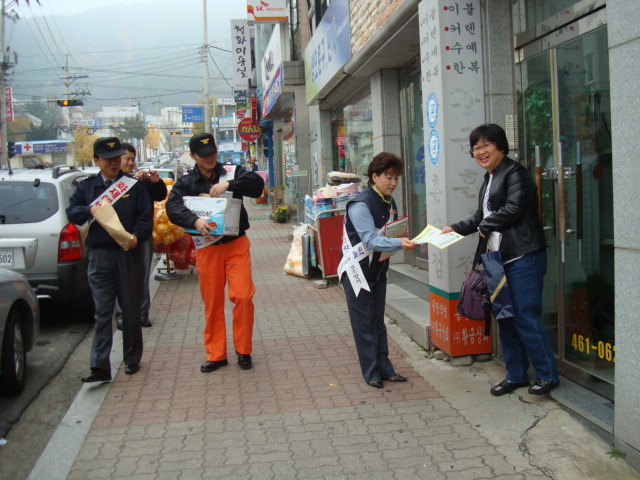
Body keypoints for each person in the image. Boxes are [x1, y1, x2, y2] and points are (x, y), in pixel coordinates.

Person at [441, 123, 559, 396]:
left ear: (501, 147)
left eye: (486, 145)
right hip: (497, 260)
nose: (480, 152)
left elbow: (514, 208)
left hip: (523, 256)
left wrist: (487, 223)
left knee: (526, 316)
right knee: (505, 317)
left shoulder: (516, 173)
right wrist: (455, 228)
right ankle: (516, 374)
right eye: (476, 148)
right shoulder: (490, 178)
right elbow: (480, 217)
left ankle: (547, 374)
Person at [166, 132, 264, 373]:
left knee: (243, 296)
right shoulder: (186, 182)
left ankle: (243, 350)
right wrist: (194, 220)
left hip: (236, 245)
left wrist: (229, 184)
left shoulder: (232, 172)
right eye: (203, 155)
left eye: (212, 153)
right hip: (207, 248)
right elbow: (172, 206)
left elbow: (257, 185)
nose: (209, 158)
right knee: (212, 303)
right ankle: (216, 354)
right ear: (193, 156)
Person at [67, 137, 153, 382]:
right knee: (102, 311)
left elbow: (146, 218)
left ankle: (132, 358)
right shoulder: (87, 188)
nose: (114, 163)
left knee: (131, 310)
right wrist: (89, 210)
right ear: (96, 160)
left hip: (128, 255)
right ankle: (99, 366)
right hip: (100, 256)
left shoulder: (134, 186)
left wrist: (137, 237)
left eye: (116, 158)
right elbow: (72, 213)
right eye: (108, 159)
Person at [339, 152, 418, 388]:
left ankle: (386, 368)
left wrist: (399, 238)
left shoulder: (388, 200)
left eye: (396, 178)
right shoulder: (361, 204)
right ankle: (371, 372)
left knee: (378, 322)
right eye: (388, 177)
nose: (393, 183)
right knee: (364, 323)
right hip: (358, 272)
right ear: (374, 176)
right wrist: (400, 242)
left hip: (379, 270)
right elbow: (370, 241)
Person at [114, 142, 167, 330]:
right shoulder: (114, 183)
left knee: (143, 275)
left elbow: (159, 196)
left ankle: (142, 313)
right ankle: (122, 316)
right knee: (120, 276)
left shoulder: (141, 181)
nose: (130, 163)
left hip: (142, 235)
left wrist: (156, 182)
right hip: (119, 236)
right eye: (126, 159)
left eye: (132, 159)